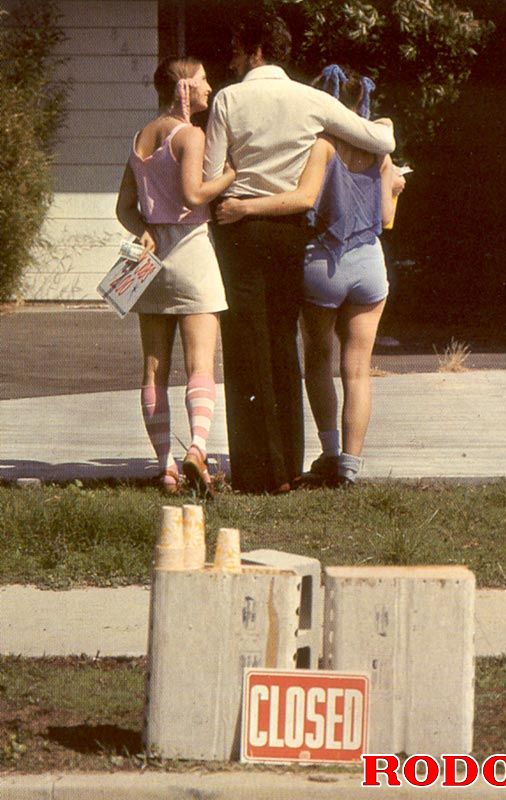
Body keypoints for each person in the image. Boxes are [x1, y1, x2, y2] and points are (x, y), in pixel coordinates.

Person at [204, 11, 396, 494]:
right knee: (282, 342)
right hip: (290, 229)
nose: (232, 58)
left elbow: (210, 175)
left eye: (236, 48)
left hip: (240, 224)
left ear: (256, 50)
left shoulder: (228, 98)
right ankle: (290, 464)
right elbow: (382, 139)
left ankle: (256, 470)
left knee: (245, 346)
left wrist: (235, 182)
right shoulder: (311, 99)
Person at [116, 56, 235, 496]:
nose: (209, 87)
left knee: (154, 368)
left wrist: (144, 229)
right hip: (191, 252)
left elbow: (124, 208)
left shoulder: (141, 137)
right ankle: (198, 448)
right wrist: (229, 176)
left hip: (152, 261)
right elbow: (193, 194)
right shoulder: (190, 135)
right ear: (184, 86)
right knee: (201, 363)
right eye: (203, 79)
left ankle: (165, 466)